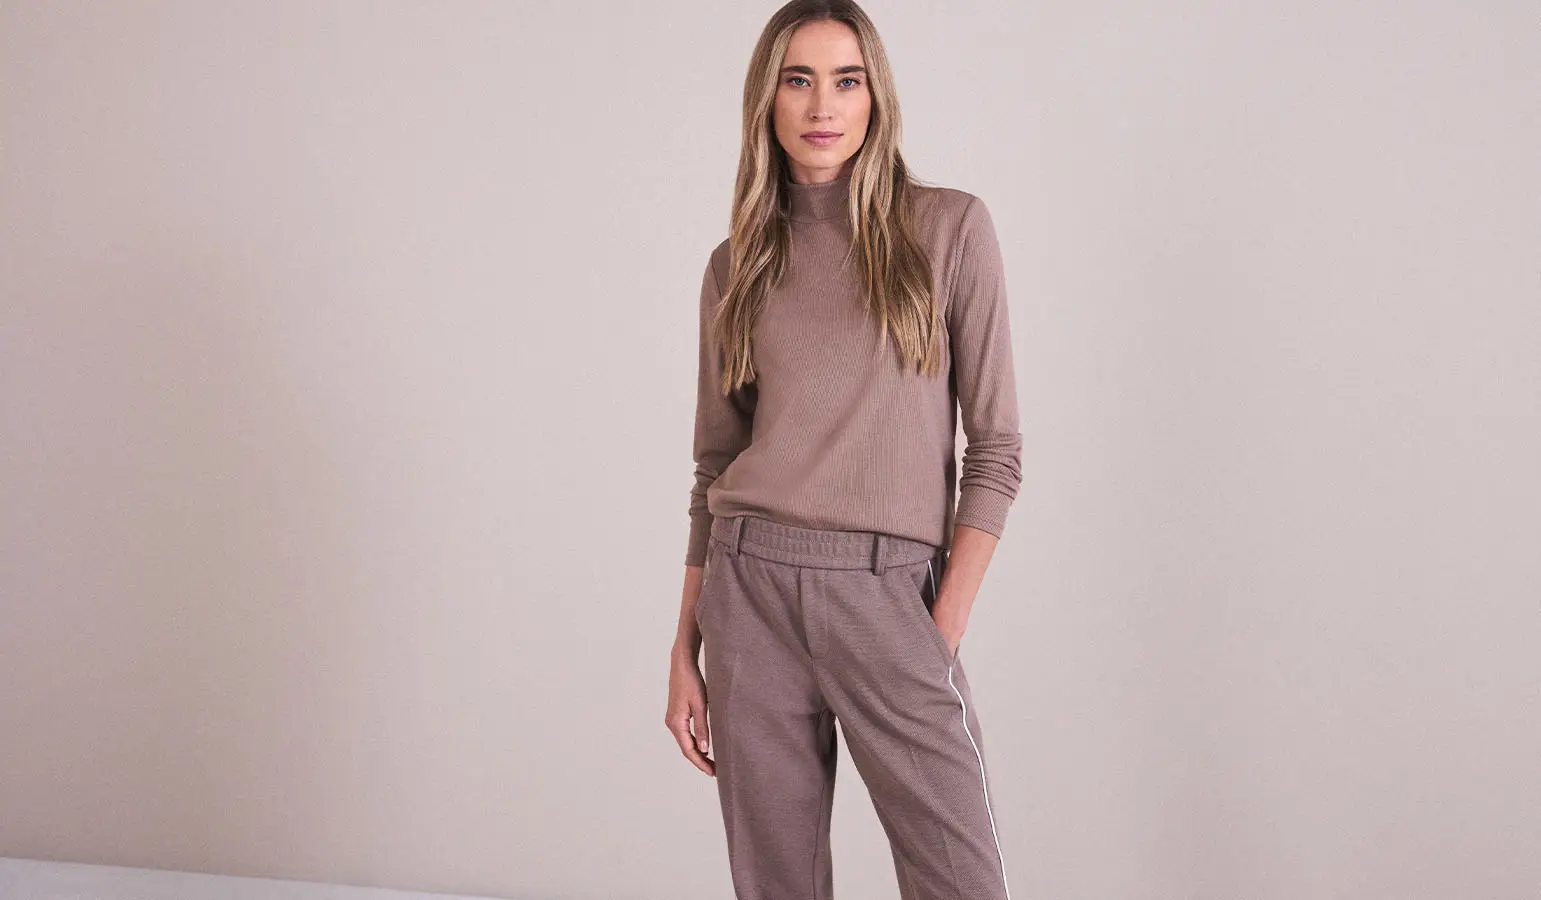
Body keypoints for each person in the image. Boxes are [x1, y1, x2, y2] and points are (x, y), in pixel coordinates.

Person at [664, 2, 1022, 897]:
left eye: (846, 80)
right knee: (776, 883)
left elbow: (996, 451)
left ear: (875, 97)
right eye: (798, 80)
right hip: (749, 594)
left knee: (960, 879)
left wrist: (938, 631)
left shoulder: (948, 230)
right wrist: (683, 645)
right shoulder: (736, 264)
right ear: (768, 99)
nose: (822, 105)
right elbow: (714, 466)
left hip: (887, 595)